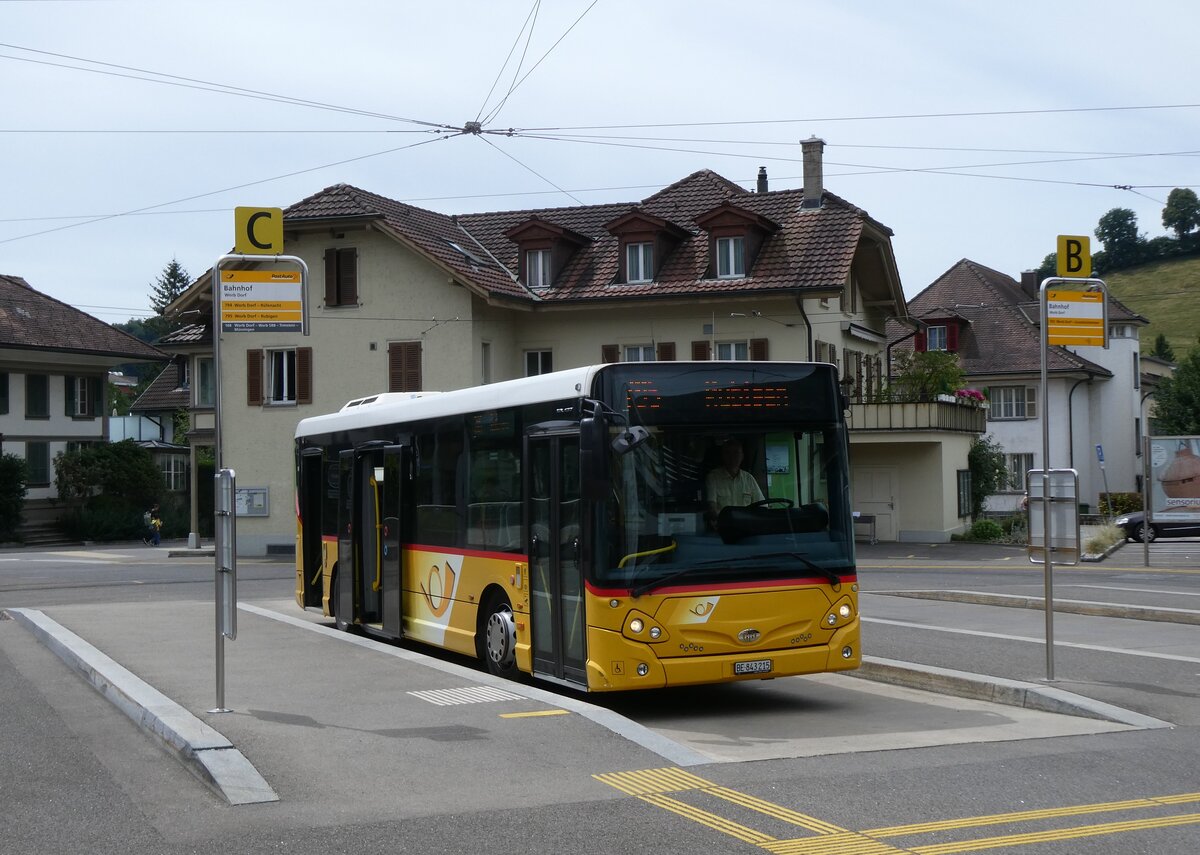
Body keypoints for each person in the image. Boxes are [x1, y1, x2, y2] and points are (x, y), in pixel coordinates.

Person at [705, 438, 765, 525]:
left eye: (736, 453)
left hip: (746, 526)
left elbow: (761, 505)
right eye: (728, 453)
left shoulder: (748, 478)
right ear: (723, 456)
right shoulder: (713, 477)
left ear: (742, 456)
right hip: (723, 527)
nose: (732, 457)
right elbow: (712, 508)